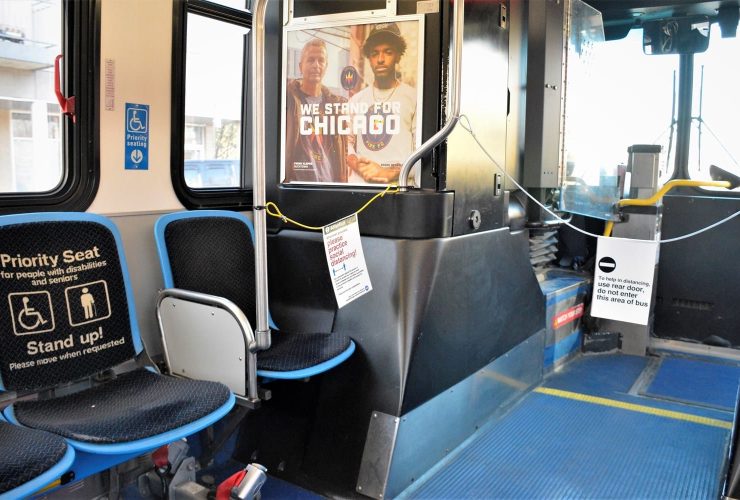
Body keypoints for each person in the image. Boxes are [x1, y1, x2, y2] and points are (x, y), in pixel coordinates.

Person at [347, 22, 417, 184]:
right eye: (374, 53)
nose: (380, 59)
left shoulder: (413, 98)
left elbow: (423, 154)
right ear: (369, 58)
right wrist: (358, 165)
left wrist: (388, 173)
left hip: (398, 192)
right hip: (361, 190)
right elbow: (345, 145)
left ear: (398, 55)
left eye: (388, 52)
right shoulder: (357, 100)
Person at [284, 38, 349, 183]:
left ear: (326, 66)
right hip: (299, 188)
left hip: (330, 187)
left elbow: (343, 150)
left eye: (321, 60)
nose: (316, 65)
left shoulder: (335, 105)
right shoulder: (288, 99)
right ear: (300, 66)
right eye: (310, 60)